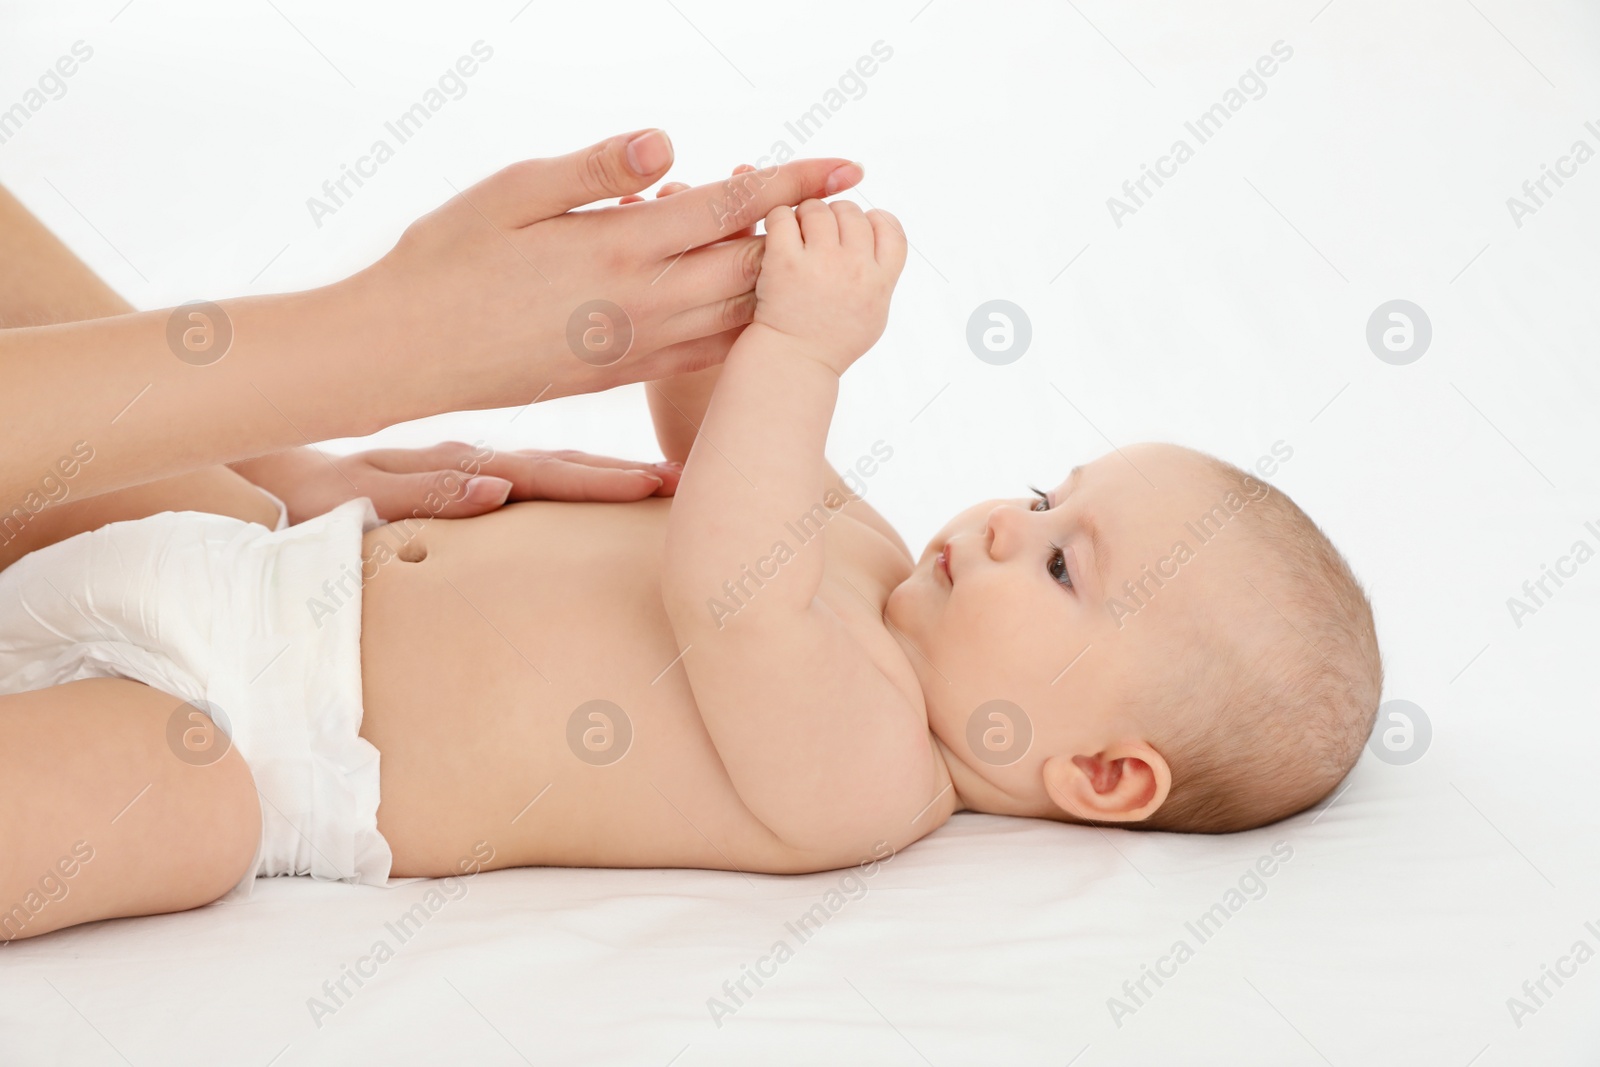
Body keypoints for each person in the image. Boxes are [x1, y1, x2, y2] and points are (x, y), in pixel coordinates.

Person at [0, 184, 1383, 945]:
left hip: (243, 736)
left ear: (1101, 772)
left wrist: (807, 353)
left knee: (178, 813)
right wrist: (733, 308)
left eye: (1066, 569)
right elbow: (721, 452)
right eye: (1043, 497)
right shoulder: (865, 549)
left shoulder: (872, 778)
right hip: (241, 550)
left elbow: (729, 592)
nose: (1010, 529)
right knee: (132, 434)